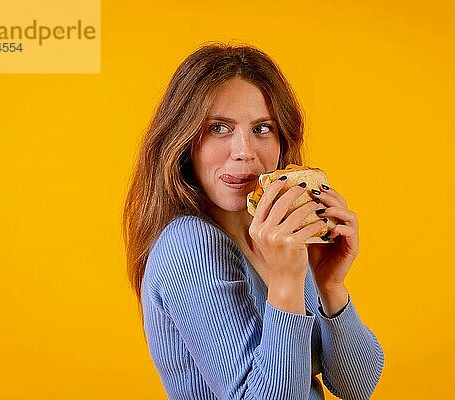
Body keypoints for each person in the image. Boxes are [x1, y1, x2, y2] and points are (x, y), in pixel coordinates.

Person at [123, 42, 385, 400]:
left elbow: (356, 385)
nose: (244, 151)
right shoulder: (189, 245)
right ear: (183, 142)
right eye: (218, 128)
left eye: (262, 128)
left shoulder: (277, 235)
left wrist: (331, 285)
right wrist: (285, 286)